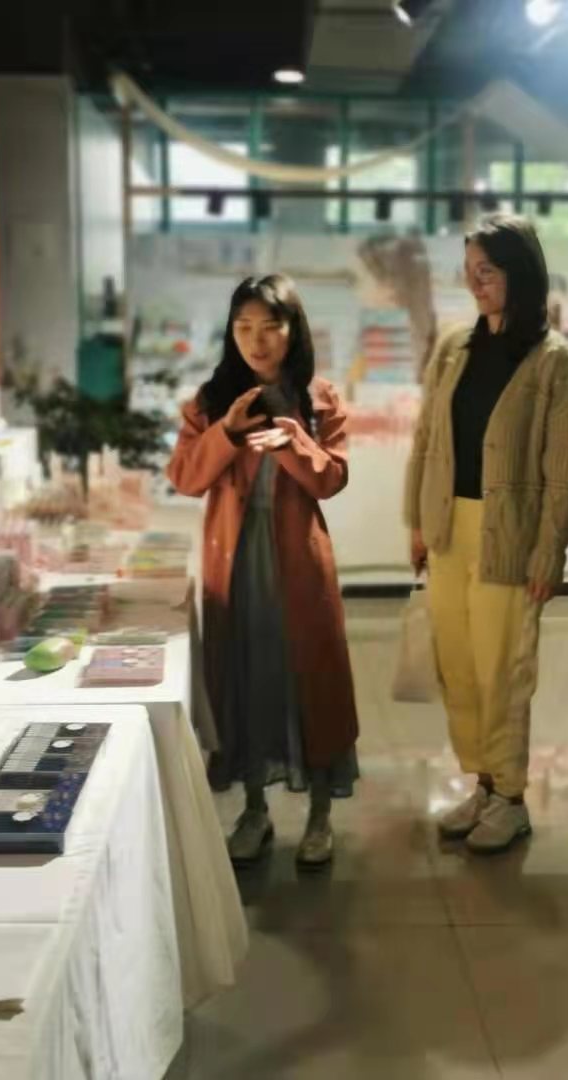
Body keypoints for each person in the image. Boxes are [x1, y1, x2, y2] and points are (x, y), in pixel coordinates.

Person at [404, 214, 568, 855]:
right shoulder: (455, 346)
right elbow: (426, 439)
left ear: (521, 273)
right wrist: (417, 521)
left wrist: (550, 553)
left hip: (509, 537)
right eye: (469, 271)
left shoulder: (554, 363)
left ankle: (510, 796)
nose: (474, 283)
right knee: (457, 666)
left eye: (488, 271)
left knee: (502, 668)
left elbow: (564, 475)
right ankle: (482, 782)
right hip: (448, 527)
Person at [168, 273, 359, 869]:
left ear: (292, 330)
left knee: (312, 688)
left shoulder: (319, 398)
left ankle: (320, 816)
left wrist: (293, 442)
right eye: (244, 326)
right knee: (245, 683)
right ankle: (254, 811)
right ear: (230, 332)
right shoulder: (210, 402)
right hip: (235, 562)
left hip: (299, 563)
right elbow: (185, 478)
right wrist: (227, 432)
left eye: (270, 326)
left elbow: (331, 480)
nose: (257, 339)